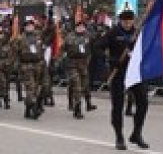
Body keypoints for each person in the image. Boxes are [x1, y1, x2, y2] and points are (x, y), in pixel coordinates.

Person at [95, 9, 150, 151]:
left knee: (143, 102)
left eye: (130, 21)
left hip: (135, 74)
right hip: (118, 72)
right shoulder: (113, 33)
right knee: (118, 106)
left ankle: (137, 134)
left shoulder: (137, 33)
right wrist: (110, 60)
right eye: (125, 21)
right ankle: (119, 136)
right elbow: (98, 47)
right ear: (120, 21)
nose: (127, 24)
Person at [61, 18, 96, 120]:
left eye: (82, 27)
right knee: (76, 85)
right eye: (79, 27)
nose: (81, 28)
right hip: (72, 64)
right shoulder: (70, 37)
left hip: (84, 64)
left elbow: (93, 45)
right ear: (75, 28)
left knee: (85, 85)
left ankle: (88, 103)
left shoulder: (87, 36)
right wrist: (60, 59)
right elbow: (62, 49)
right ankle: (77, 109)